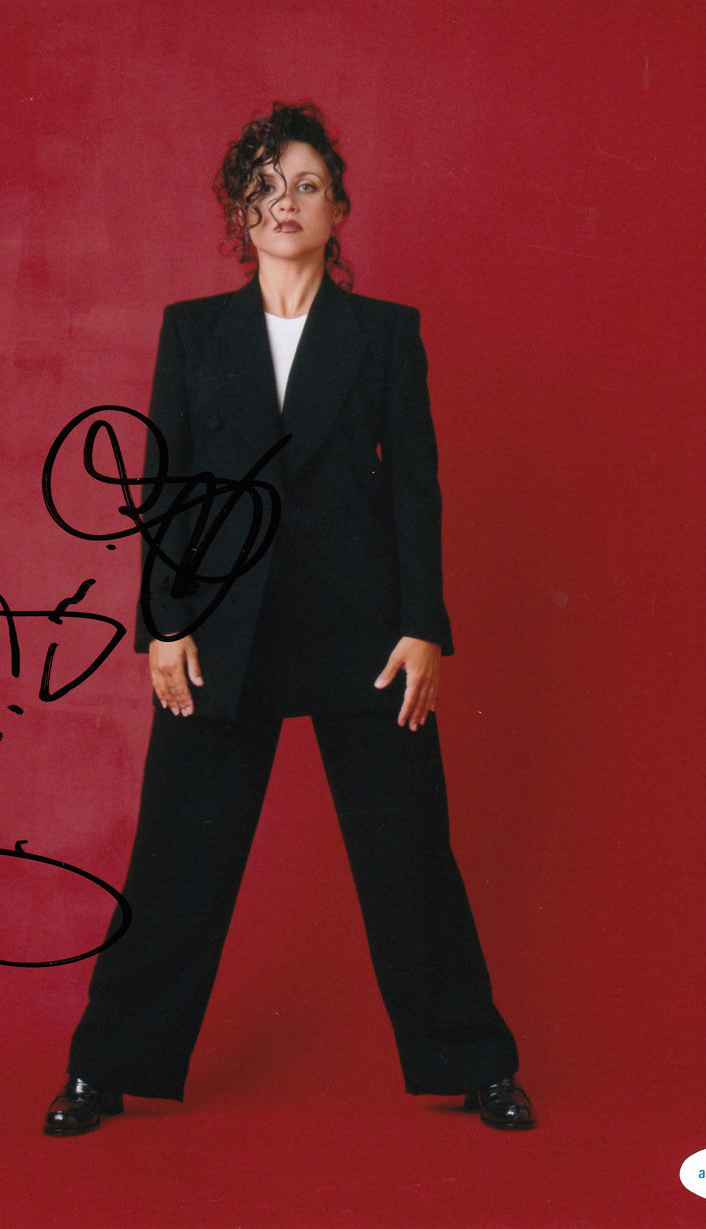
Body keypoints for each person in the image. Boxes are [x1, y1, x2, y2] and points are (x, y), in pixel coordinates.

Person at [44, 102, 534, 1135]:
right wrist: (163, 624)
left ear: (338, 209)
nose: (284, 203)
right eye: (264, 186)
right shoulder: (194, 330)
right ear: (240, 209)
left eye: (306, 185)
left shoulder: (384, 333)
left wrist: (423, 625)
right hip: (222, 632)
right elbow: (166, 487)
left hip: (366, 633)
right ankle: (104, 1066)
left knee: (410, 854)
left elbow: (416, 489)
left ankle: (476, 1063)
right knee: (175, 858)